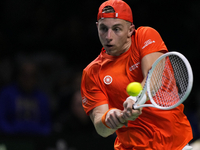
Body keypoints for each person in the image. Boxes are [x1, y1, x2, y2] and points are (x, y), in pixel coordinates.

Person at [80, 0, 193, 150]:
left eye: (117, 29)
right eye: (103, 28)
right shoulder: (92, 72)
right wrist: (111, 118)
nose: (108, 36)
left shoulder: (145, 36)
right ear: (97, 27)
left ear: (130, 29)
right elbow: (101, 128)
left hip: (175, 143)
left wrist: (135, 98)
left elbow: (154, 77)